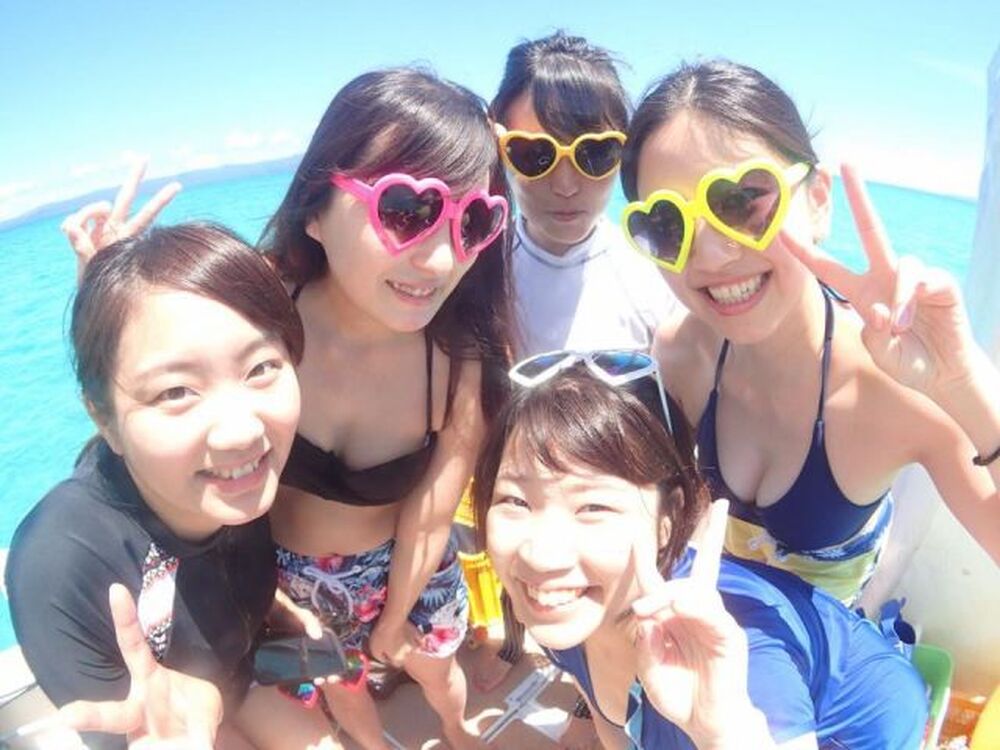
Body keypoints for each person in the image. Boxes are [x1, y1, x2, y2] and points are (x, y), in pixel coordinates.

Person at [63, 68, 511, 750]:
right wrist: (108, 285)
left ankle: (456, 732)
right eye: (407, 211)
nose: (444, 257)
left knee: (437, 673)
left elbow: (430, 513)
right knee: (343, 691)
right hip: (284, 583)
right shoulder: (260, 308)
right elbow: (144, 373)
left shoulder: (457, 361)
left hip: (405, 573)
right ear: (314, 212)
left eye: (473, 221)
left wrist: (394, 619)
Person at [618, 59, 1000, 605]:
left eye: (741, 203)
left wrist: (962, 383)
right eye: (667, 226)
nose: (711, 255)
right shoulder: (682, 352)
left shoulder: (896, 390)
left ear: (818, 200)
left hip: (832, 648)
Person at [472, 355, 928, 748]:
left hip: (860, 726)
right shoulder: (562, 605)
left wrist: (722, 733)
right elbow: (606, 714)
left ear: (667, 519)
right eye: (515, 500)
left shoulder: (740, 654)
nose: (540, 555)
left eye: (593, 507)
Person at [5, 224, 305, 749]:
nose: (241, 431)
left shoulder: (246, 469)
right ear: (104, 419)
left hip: (245, 672)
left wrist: (282, 611)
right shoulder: (62, 566)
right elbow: (139, 732)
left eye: (260, 366)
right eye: (175, 392)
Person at [491, 31, 677, 359]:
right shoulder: (471, 274)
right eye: (535, 154)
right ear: (498, 146)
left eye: (595, 153)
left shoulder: (659, 275)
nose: (566, 186)